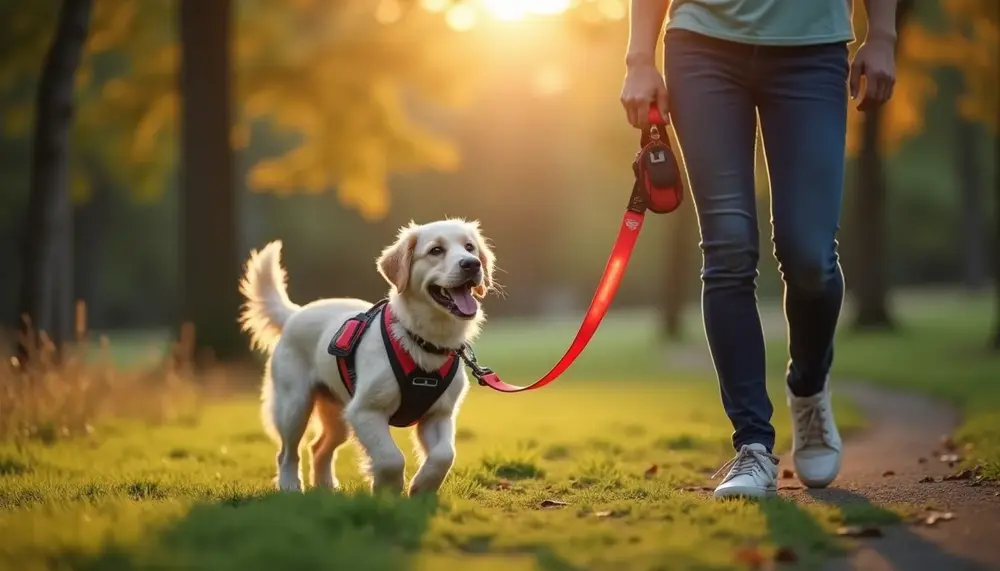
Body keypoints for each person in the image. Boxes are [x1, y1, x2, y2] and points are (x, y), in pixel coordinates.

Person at [620, 0, 898, 499]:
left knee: (809, 255)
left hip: (812, 48)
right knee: (727, 250)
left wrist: (882, 35)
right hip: (702, 45)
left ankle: (809, 390)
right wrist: (639, 57)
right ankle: (752, 445)